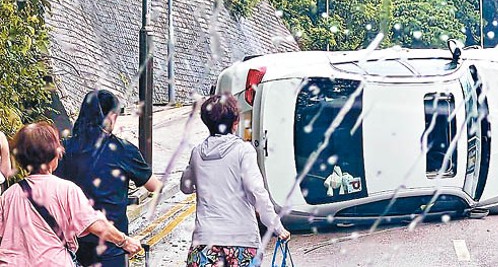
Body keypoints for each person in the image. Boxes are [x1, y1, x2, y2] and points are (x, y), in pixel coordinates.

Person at [0, 121, 142, 266]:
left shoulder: (8, 195)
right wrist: (124, 241)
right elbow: (94, 224)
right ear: (55, 153)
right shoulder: (66, 190)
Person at [181, 93, 290, 267]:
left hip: (205, 239)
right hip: (241, 240)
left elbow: (185, 187)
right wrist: (277, 226)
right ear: (235, 122)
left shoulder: (197, 152)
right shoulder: (243, 151)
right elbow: (256, 192)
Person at [56, 90, 162, 267]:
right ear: (111, 117)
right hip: (113, 244)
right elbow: (154, 186)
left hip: (75, 245)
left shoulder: (66, 148)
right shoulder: (123, 149)